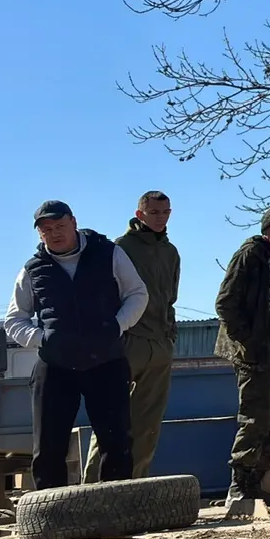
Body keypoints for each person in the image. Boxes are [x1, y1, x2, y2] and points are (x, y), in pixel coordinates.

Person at [4, 200, 148, 488]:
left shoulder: (109, 253)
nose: (55, 233)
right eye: (47, 230)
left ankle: (117, 506)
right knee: (48, 445)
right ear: (39, 234)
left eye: (60, 226)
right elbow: (14, 319)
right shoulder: (33, 269)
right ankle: (49, 511)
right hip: (55, 364)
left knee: (116, 439)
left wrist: (117, 325)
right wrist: (41, 339)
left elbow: (137, 293)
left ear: (74, 222)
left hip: (106, 360)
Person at [83, 190, 180, 481]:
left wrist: (169, 337)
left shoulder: (171, 251)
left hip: (159, 344)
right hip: (125, 342)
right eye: (154, 212)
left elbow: (170, 298)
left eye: (165, 212)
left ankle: (133, 487)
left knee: (149, 424)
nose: (160, 218)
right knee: (111, 422)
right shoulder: (119, 248)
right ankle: (92, 491)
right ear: (140, 215)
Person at [215, 206, 270, 506]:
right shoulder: (250, 255)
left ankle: (255, 484)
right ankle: (239, 485)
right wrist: (248, 341)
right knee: (254, 415)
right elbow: (225, 303)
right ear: (267, 229)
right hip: (253, 346)